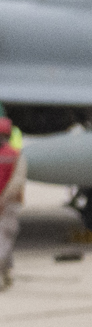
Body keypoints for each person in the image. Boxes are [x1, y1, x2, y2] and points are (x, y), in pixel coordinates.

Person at [0, 119, 21, 291]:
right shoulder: (15, 155)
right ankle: (6, 275)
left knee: (4, 239)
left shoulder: (13, 156)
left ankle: (5, 275)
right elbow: (17, 182)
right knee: (6, 239)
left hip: (6, 204)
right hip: (10, 203)